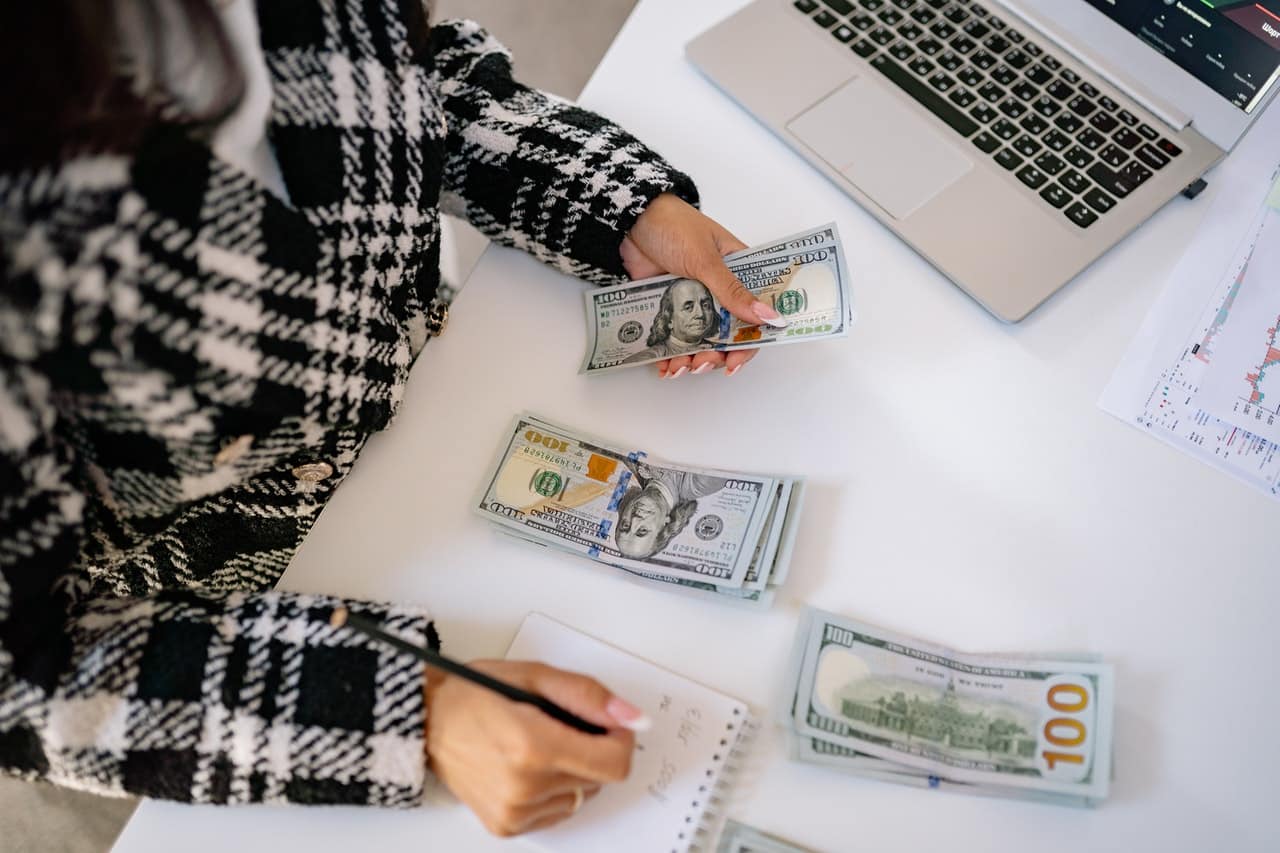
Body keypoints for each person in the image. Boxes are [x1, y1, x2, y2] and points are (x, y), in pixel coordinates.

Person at [0, 0, 788, 838]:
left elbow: (413, 81)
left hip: (446, 393)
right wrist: (410, 712)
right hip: (218, 617)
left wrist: (621, 207)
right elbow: (22, 674)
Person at [614, 461, 728, 560]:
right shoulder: (700, 484)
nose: (635, 519)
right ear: (665, 524)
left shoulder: (631, 463)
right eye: (643, 530)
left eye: (625, 525)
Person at [622, 278, 720, 364]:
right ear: (669, 320)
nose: (700, 314)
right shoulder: (649, 357)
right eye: (688, 307)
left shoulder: (722, 349)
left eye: (706, 305)